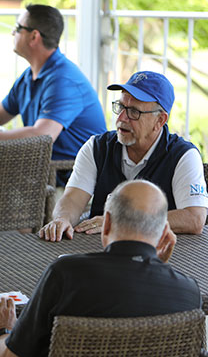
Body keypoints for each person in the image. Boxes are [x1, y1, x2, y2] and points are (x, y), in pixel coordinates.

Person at [0, 180, 201, 357]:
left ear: (106, 224)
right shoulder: (188, 292)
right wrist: (159, 269)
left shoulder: (67, 274)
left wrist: (1, 330)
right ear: (164, 232)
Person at [40, 71, 208, 242]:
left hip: (164, 255)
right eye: (120, 107)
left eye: (134, 112)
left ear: (160, 121)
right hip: (99, 250)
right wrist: (63, 218)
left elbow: (194, 218)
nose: (121, 118)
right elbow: (72, 198)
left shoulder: (183, 155)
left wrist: (122, 223)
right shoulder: (96, 147)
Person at [0, 4, 106, 185]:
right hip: (42, 169)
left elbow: (42, 135)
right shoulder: (30, 75)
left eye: (17, 28)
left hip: (70, 176)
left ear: (34, 36)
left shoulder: (64, 80)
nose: (12, 33)